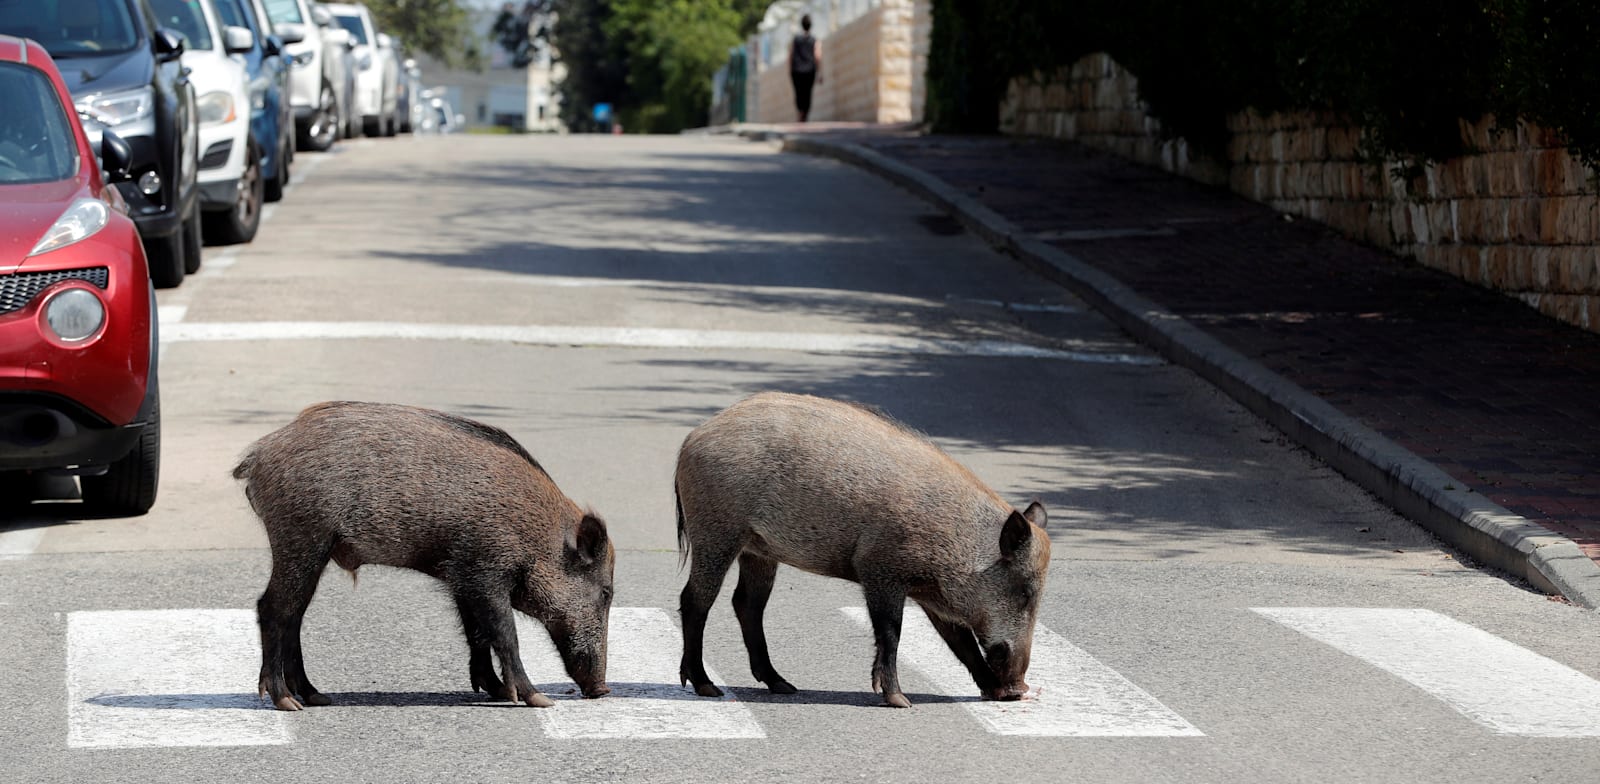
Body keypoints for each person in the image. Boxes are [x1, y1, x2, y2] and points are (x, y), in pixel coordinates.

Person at [788, 14, 821, 122]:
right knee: (807, 92)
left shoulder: (796, 39)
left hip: (796, 70)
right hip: (809, 70)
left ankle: (800, 112)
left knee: (798, 92)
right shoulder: (814, 40)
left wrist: (790, 69)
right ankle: (804, 113)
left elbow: (791, 54)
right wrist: (819, 71)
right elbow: (817, 55)